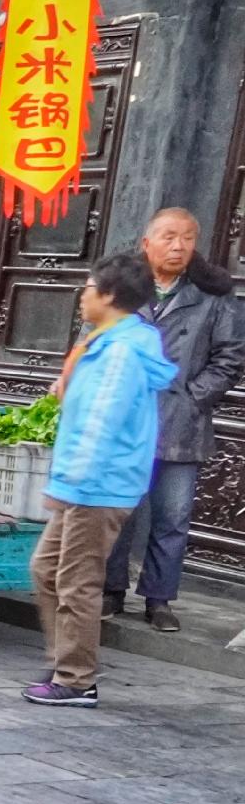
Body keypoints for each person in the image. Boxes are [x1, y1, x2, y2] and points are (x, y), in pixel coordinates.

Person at [27, 252, 178, 708]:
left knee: (76, 581)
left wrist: (67, 481)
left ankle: (76, 679)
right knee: (46, 569)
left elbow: (101, 422)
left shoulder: (122, 351)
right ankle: (66, 660)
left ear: (110, 296)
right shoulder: (104, 341)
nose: (82, 295)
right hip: (87, 480)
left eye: (90, 287)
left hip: (98, 482)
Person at [103, 208, 243, 632]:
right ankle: (110, 589)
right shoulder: (123, 289)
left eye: (186, 238)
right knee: (119, 510)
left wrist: (194, 397)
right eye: (168, 236)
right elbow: (93, 340)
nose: (178, 245)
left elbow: (231, 357)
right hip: (127, 421)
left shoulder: (213, 297)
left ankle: (159, 598)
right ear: (147, 243)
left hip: (182, 422)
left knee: (173, 515)